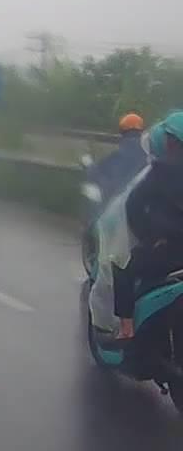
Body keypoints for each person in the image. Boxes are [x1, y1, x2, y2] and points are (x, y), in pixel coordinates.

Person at [112, 111, 183, 340]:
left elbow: (133, 205)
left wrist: (149, 236)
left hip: (168, 250)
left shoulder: (159, 169)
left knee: (121, 266)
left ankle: (126, 328)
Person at [89, 112, 148, 204]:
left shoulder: (116, 157)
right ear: (141, 132)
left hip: (117, 205)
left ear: (122, 132)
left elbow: (98, 174)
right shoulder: (150, 156)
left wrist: (90, 166)